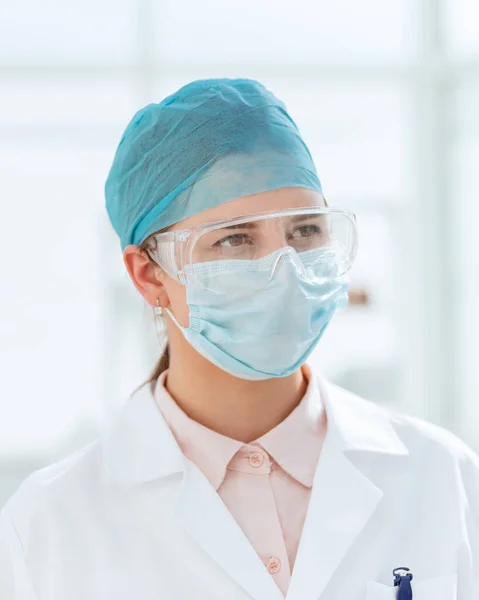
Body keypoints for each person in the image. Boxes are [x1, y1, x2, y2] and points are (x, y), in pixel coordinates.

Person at [1, 78, 478, 600]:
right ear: (149, 275)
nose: (286, 269)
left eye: (305, 231)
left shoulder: (443, 478)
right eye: (234, 238)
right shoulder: (50, 527)